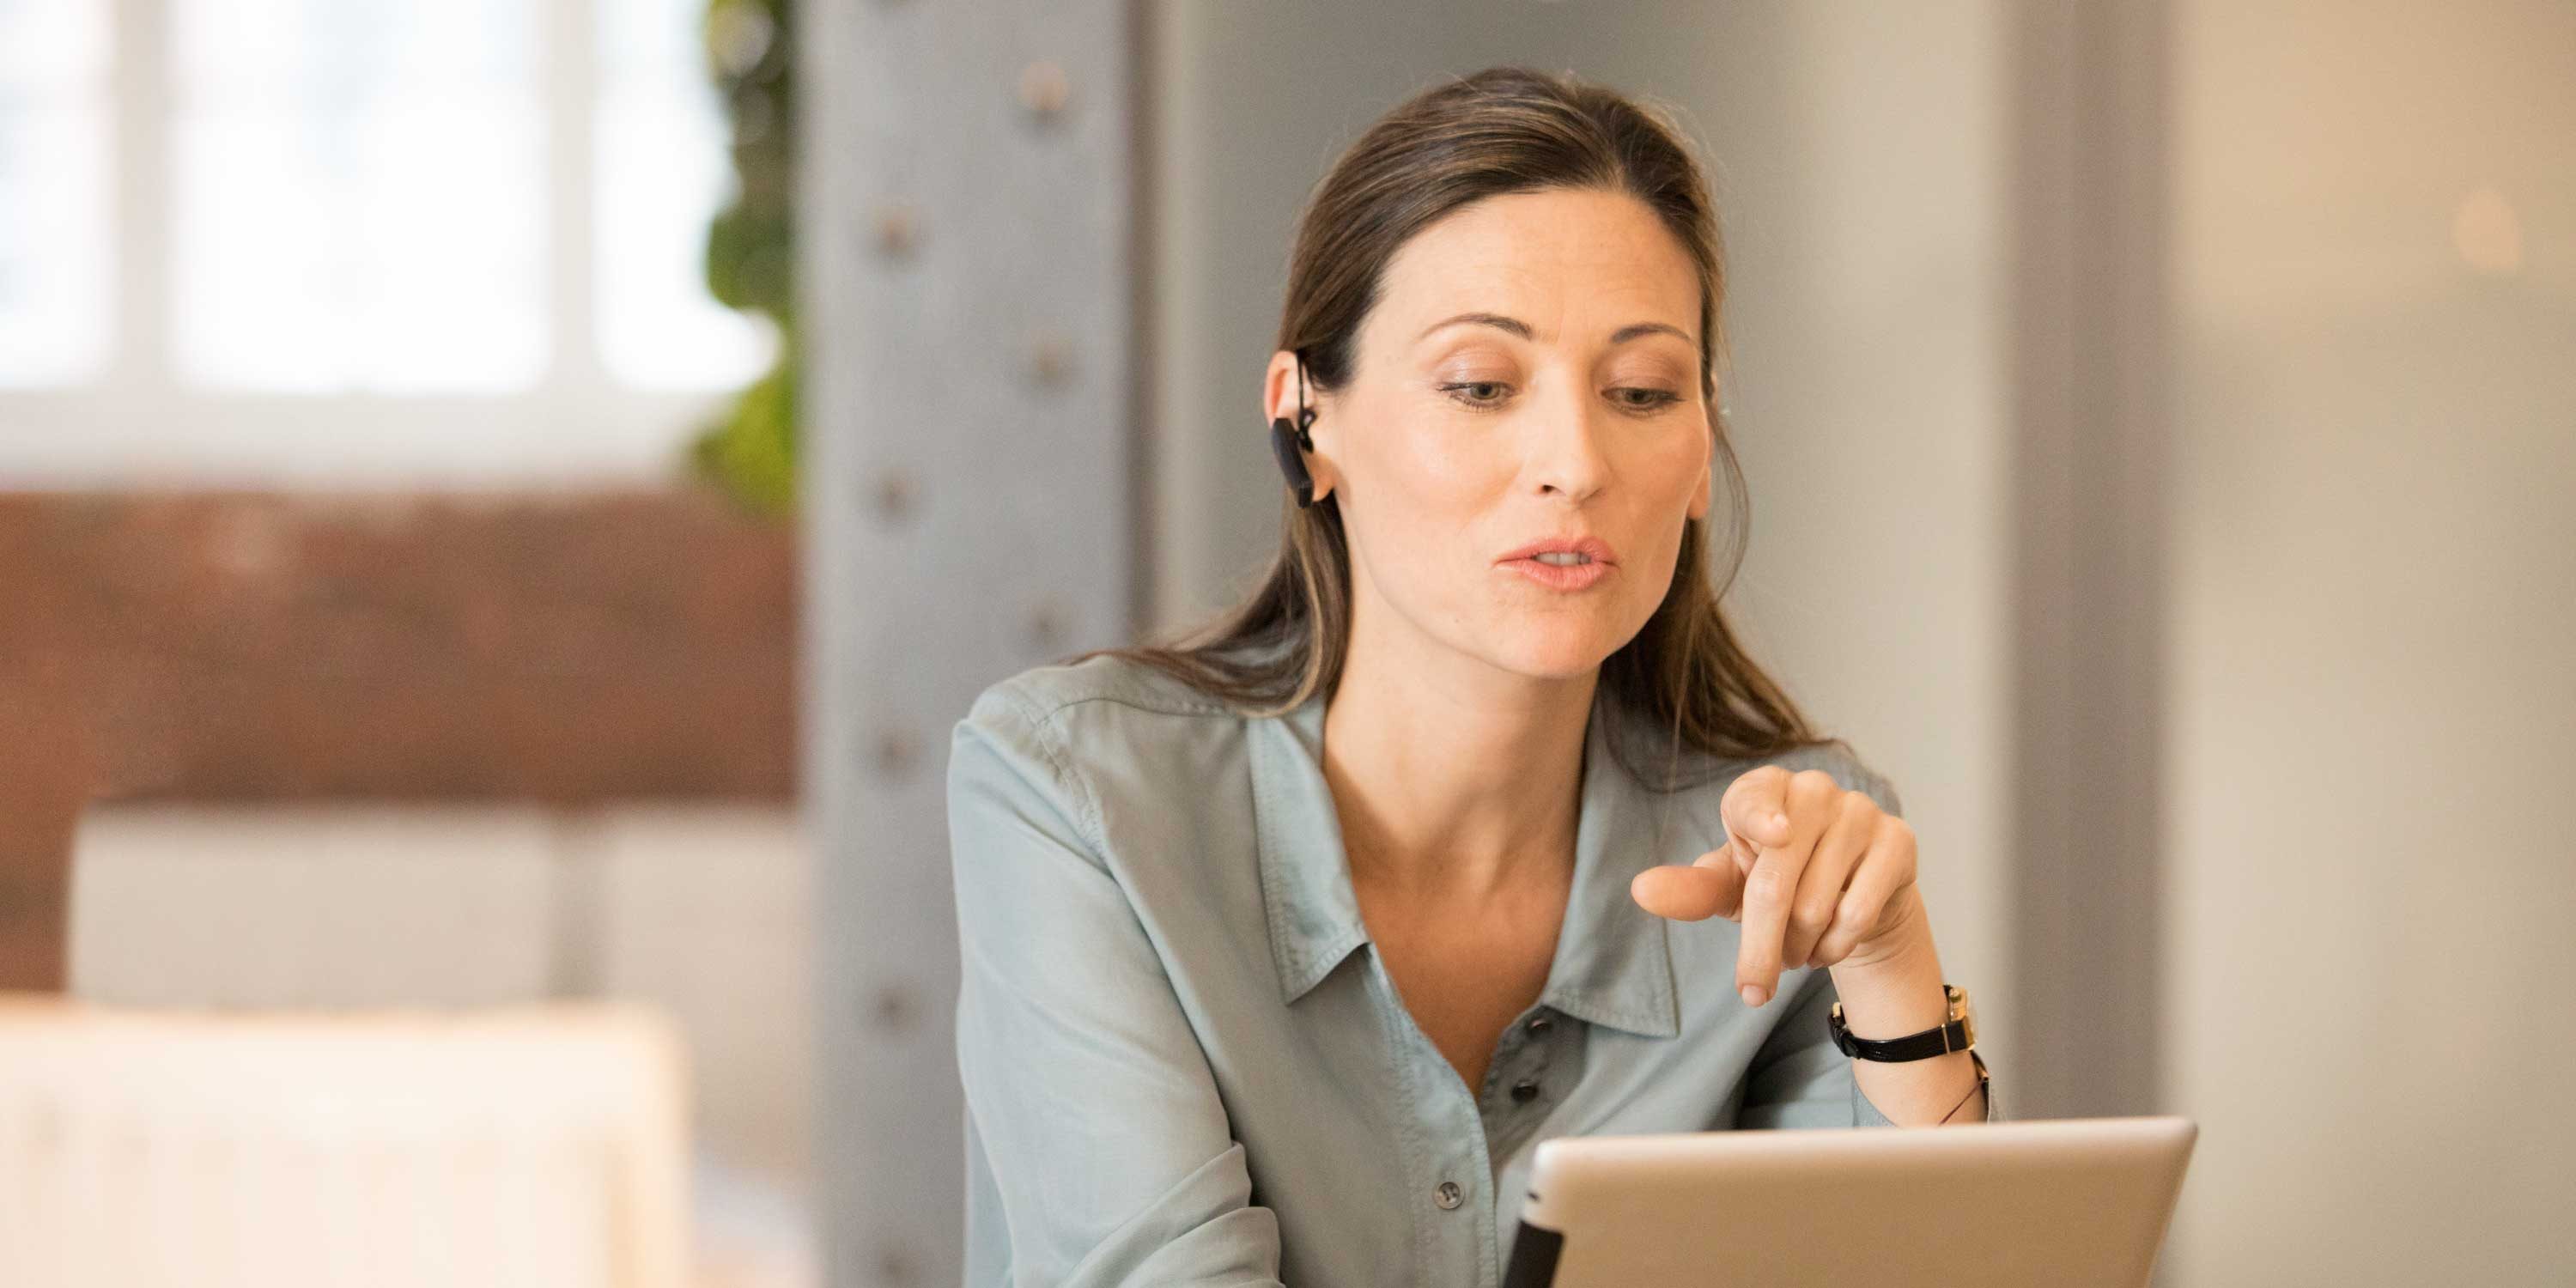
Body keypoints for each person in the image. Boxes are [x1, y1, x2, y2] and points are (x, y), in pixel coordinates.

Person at [945, 64, 1999, 1288]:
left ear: (1702, 449)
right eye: (1480, 386)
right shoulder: (1080, 797)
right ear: (1306, 423)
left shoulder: (1797, 854)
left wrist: (1887, 967)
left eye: (1642, 393)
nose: (1574, 460)